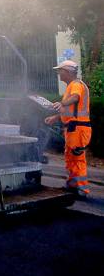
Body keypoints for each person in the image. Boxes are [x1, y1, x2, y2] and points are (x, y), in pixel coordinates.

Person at [45, 60, 91, 197]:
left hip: (78, 129)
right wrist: (55, 118)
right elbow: (70, 110)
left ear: (67, 72)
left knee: (77, 160)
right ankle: (72, 186)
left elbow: (75, 98)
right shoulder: (72, 85)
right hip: (74, 129)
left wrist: (61, 102)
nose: (58, 73)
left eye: (60, 71)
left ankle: (82, 189)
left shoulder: (76, 85)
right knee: (71, 158)